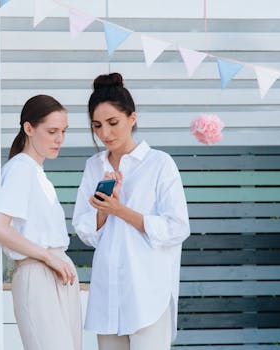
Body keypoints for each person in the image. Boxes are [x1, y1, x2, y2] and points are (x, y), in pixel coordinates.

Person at [72, 73, 190, 350]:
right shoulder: (93, 166)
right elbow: (84, 229)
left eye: (113, 123)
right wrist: (104, 210)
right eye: (97, 126)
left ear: (132, 119)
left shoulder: (160, 164)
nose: (105, 134)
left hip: (147, 293)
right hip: (107, 293)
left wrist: (120, 210)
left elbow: (177, 227)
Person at [0, 94, 82, 350]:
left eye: (63, 131)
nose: (59, 139)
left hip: (56, 274)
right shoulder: (20, 169)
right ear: (28, 128)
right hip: (39, 274)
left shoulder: (37, 173)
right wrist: (48, 258)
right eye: (52, 131)